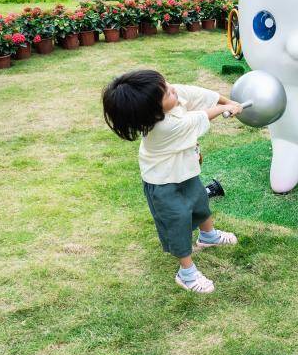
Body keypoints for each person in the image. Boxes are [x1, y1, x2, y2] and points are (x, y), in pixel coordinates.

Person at [102, 70, 242, 293]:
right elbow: (200, 117)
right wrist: (225, 108)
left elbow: (200, 94)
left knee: (199, 203)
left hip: (186, 170)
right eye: (166, 91)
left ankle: (208, 236)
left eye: (166, 84)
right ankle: (186, 273)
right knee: (177, 222)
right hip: (163, 183)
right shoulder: (164, 127)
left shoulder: (166, 95)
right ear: (152, 111)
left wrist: (229, 101)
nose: (172, 88)